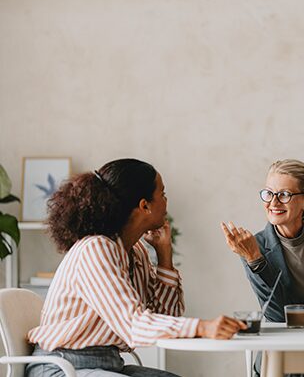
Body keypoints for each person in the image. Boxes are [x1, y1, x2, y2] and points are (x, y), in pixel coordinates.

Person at [26, 159, 245, 377]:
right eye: (163, 194)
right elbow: (133, 325)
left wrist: (164, 257)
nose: (167, 202)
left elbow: (167, 316)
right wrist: (202, 327)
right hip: (61, 367)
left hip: (109, 364)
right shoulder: (95, 249)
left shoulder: (135, 252)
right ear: (145, 206)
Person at [221, 159, 304, 323]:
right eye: (269, 193)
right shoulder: (252, 246)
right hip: (284, 341)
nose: (273, 202)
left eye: (284, 194)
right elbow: (277, 316)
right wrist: (255, 260)